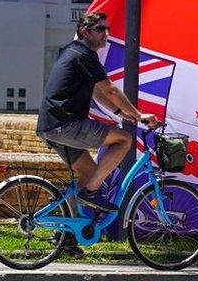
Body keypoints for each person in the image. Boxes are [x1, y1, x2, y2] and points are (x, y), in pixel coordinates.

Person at [37, 12, 159, 214]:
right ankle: (91, 193)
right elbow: (110, 90)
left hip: (51, 126)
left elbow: (97, 92)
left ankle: (67, 238)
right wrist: (139, 116)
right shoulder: (84, 54)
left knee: (90, 175)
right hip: (66, 124)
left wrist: (121, 112)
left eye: (107, 29)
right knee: (125, 140)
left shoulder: (73, 52)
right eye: (100, 29)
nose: (106, 33)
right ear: (84, 32)